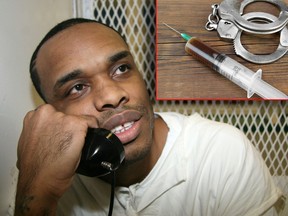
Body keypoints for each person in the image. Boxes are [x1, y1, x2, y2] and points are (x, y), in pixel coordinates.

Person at [15, 18, 284, 216]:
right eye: (77, 88)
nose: (111, 95)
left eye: (121, 68)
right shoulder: (45, 175)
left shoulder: (221, 152)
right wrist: (37, 191)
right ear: (52, 114)